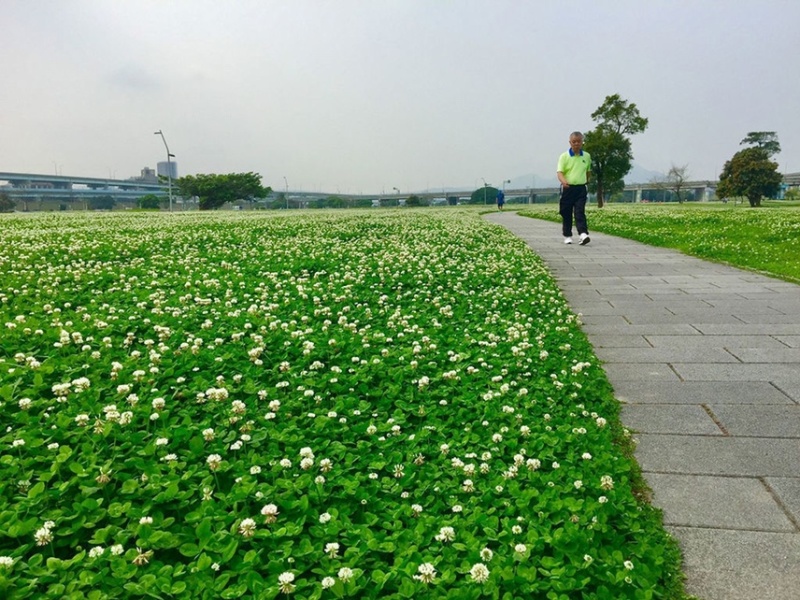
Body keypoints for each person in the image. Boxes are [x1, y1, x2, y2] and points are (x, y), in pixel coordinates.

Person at [556, 131, 591, 245]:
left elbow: (588, 171)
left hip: (580, 188)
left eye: (579, 141)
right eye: (574, 142)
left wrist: (586, 181)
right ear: (570, 142)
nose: (576, 144)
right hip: (568, 188)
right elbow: (560, 172)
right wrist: (564, 182)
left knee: (579, 211)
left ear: (582, 142)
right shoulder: (564, 156)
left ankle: (583, 234)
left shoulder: (586, 156)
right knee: (566, 212)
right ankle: (567, 235)